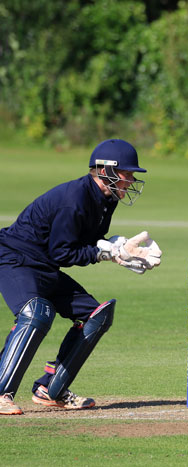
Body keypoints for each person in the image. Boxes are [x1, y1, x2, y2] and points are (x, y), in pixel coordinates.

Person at [0, 139, 162, 415]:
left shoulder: (106, 199)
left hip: (44, 265)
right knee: (36, 313)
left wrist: (120, 249)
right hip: (15, 258)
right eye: (126, 174)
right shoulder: (74, 199)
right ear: (106, 171)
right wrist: (106, 253)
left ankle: (50, 389)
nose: (131, 180)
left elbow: (86, 240)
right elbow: (63, 252)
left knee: (97, 315)